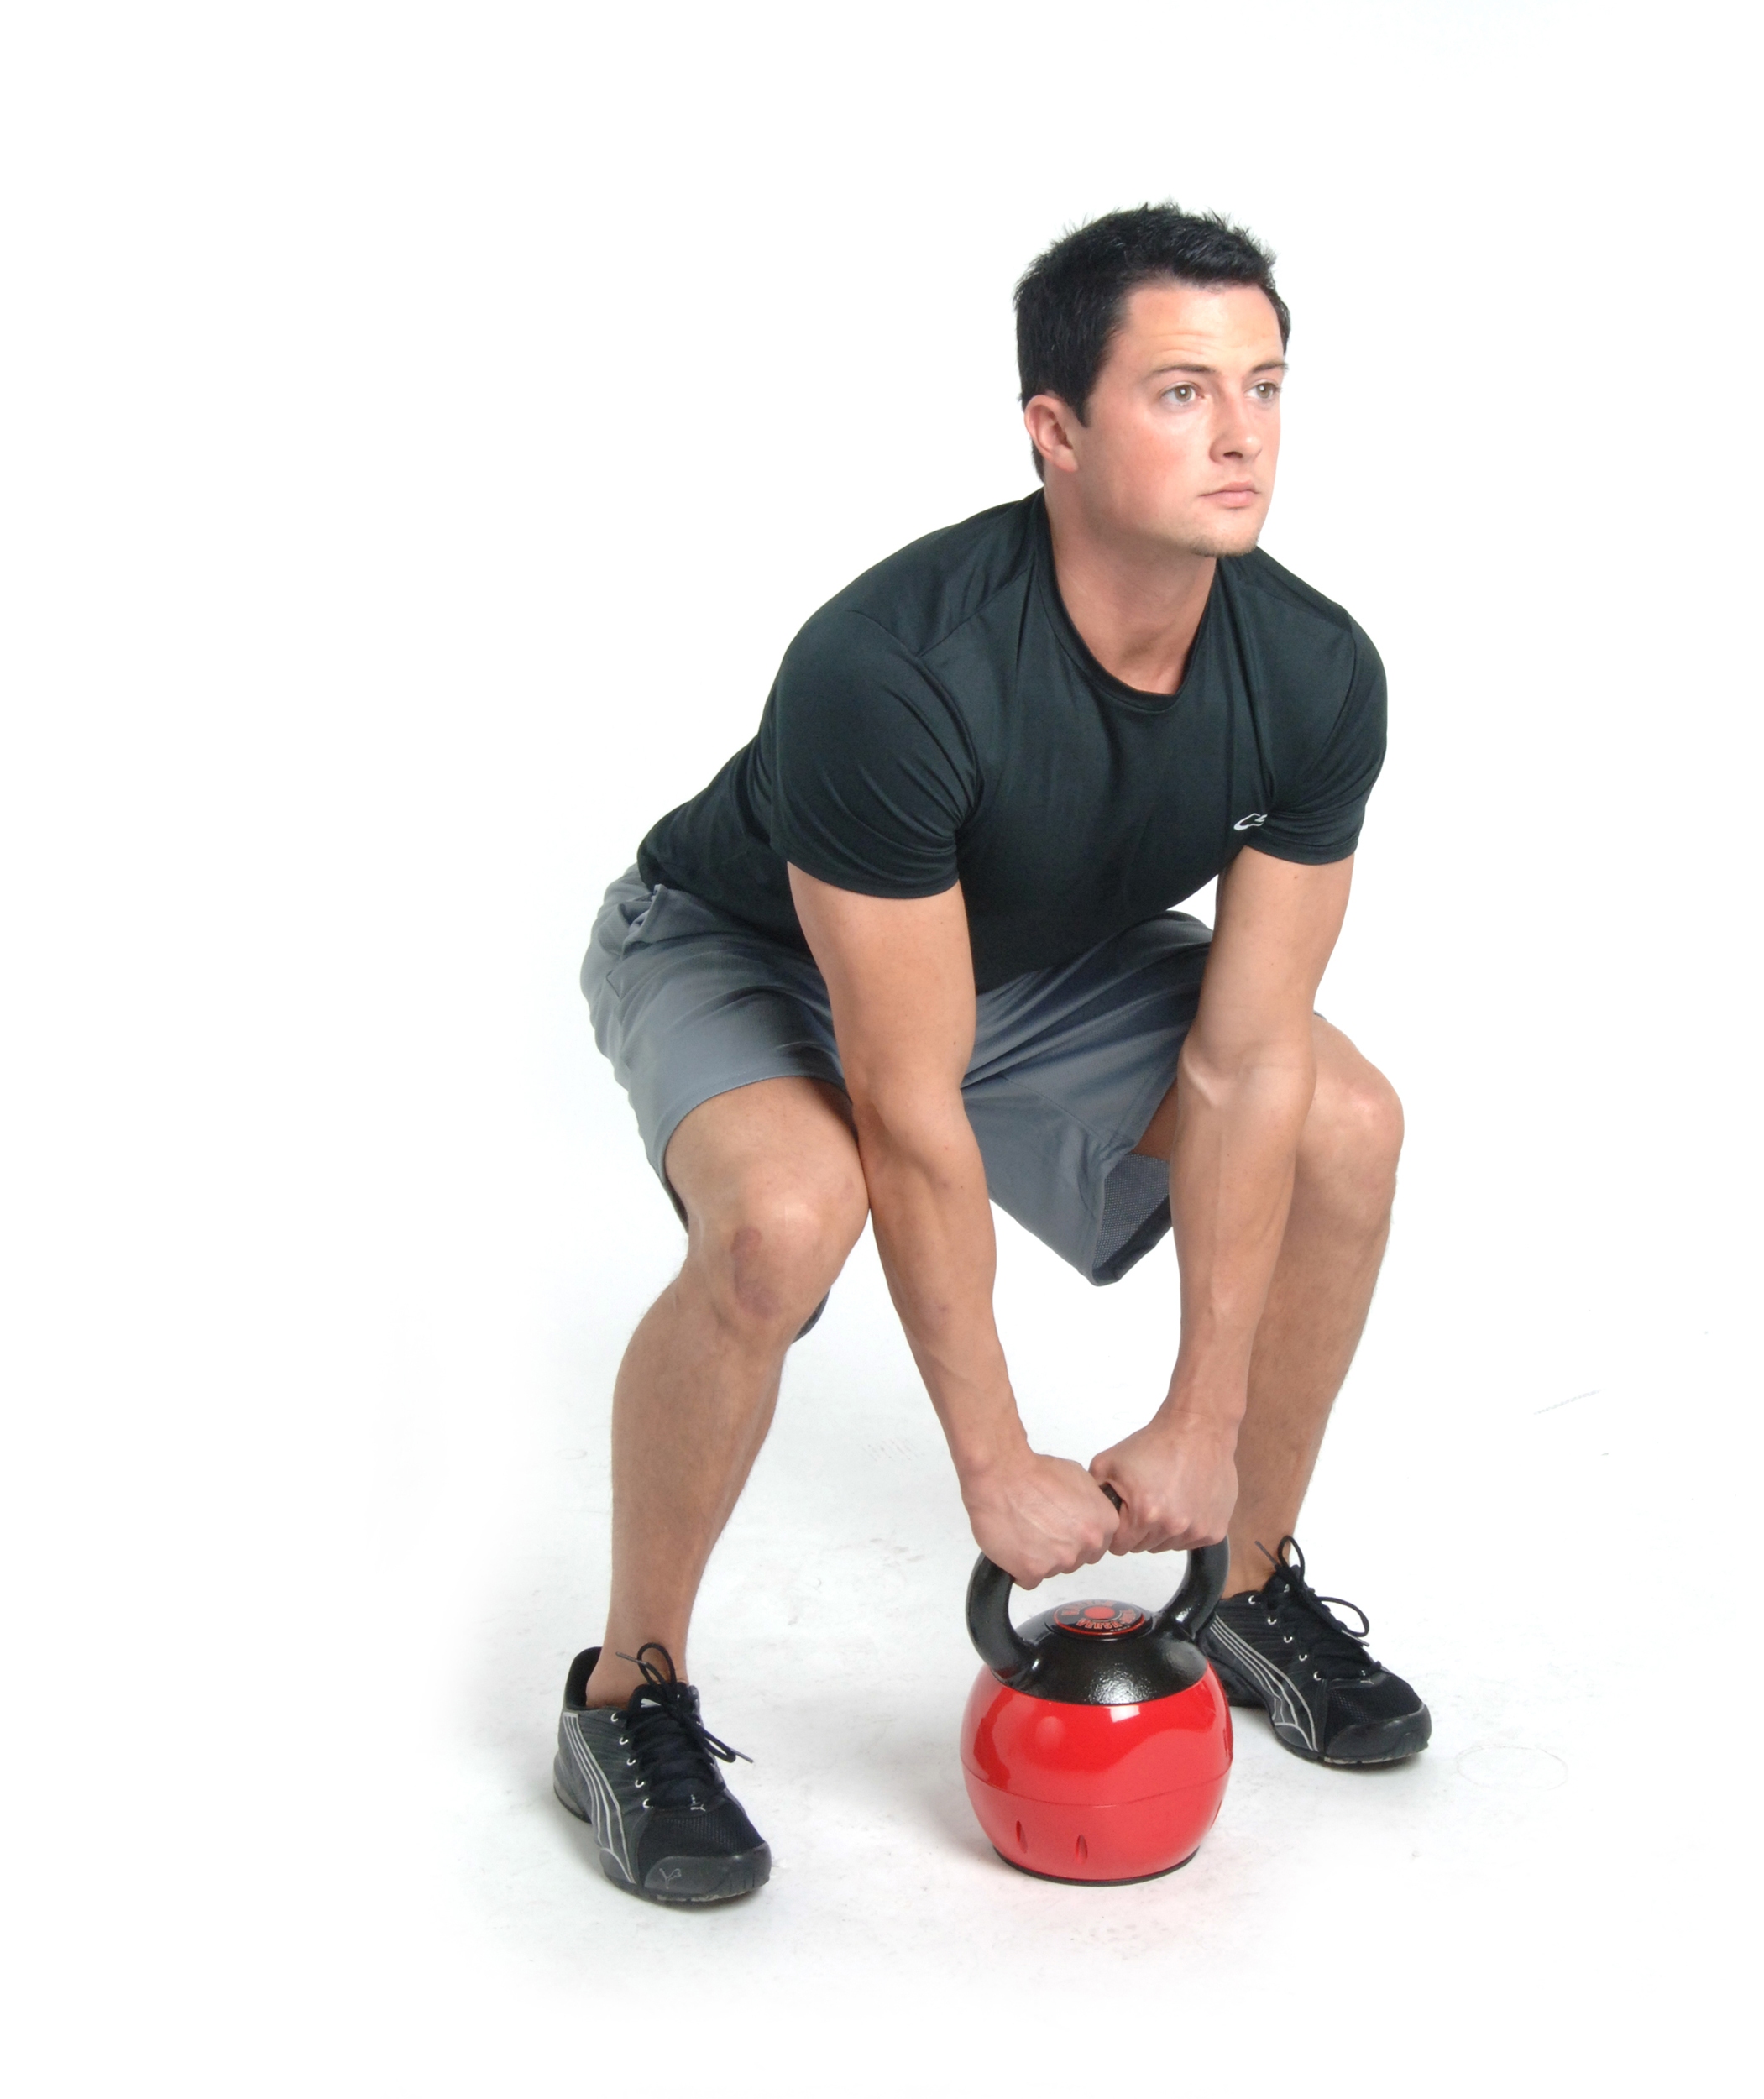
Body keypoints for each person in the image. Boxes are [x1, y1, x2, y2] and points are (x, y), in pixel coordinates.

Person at [555, 205, 1427, 1904]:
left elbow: (1244, 1063)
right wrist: (993, 1460)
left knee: (1343, 1116)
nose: (1241, 430)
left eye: (1262, 384)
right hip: (744, 950)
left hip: (1024, 957)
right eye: (1180, 391)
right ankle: (625, 1690)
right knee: (782, 1223)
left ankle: (1238, 1584)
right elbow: (903, 1096)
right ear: (1056, 430)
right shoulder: (894, 669)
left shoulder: (1314, 671)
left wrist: (1202, 1416)